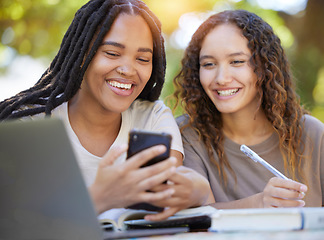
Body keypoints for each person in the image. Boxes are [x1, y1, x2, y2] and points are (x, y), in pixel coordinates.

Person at [0, 0, 211, 220]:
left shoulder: (153, 118)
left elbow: (168, 195)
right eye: (112, 53)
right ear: (82, 55)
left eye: (142, 59)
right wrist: (101, 198)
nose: (128, 70)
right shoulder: (29, 125)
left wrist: (199, 189)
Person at [173, 9, 324, 208]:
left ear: (265, 66)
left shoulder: (312, 135)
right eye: (209, 64)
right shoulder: (187, 136)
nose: (221, 78)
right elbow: (195, 216)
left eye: (237, 61)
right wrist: (259, 203)